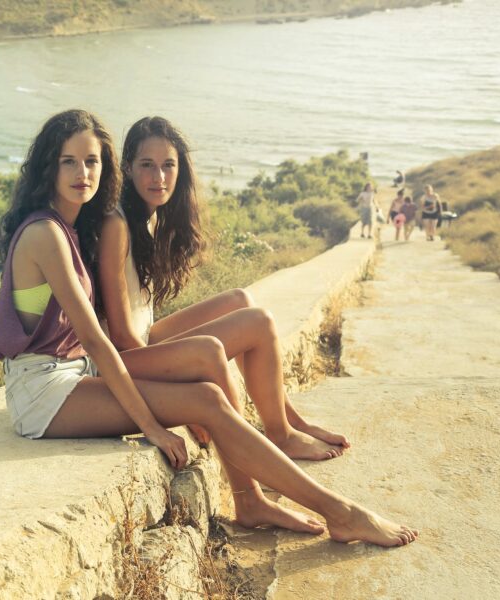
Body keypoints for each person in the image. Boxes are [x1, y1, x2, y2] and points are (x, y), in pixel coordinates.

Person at [0, 109, 417, 546]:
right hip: (42, 393)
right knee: (207, 384)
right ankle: (337, 511)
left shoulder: (70, 228)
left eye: (92, 161)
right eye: (69, 161)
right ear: (48, 166)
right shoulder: (46, 234)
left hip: (70, 376)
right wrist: (151, 427)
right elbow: (98, 340)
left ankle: (260, 495)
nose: (83, 172)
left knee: (209, 395)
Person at [98, 116, 348, 463]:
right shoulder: (117, 225)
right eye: (147, 165)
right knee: (256, 322)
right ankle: (278, 436)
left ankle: (289, 420)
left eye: (168, 165)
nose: (159, 178)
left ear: (180, 169)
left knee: (240, 300)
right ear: (127, 168)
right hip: (122, 358)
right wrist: (178, 383)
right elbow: (122, 336)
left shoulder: (150, 217)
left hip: (143, 342)